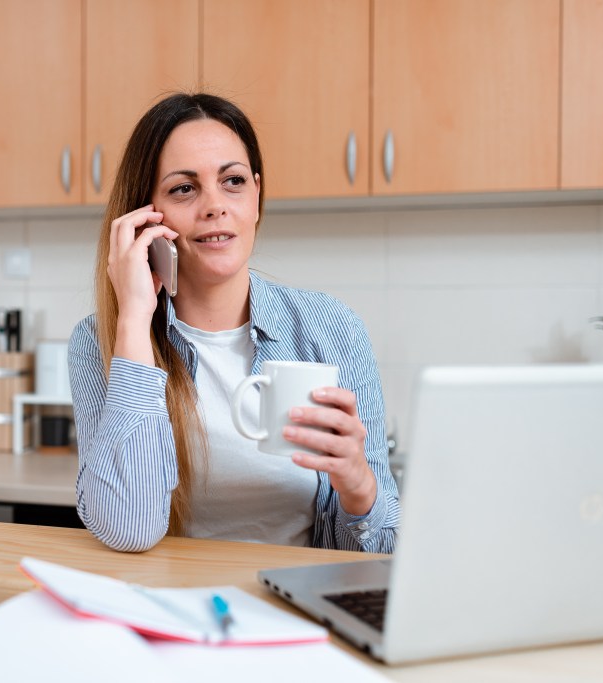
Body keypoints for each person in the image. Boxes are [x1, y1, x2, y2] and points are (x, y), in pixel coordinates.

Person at [68, 92, 399, 553]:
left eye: (233, 181)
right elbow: (130, 529)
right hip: (171, 610)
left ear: (257, 197)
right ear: (145, 215)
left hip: (293, 610)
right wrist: (135, 320)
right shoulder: (99, 341)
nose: (214, 205)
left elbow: (382, 552)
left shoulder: (333, 329)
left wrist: (360, 488)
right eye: (185, 188)